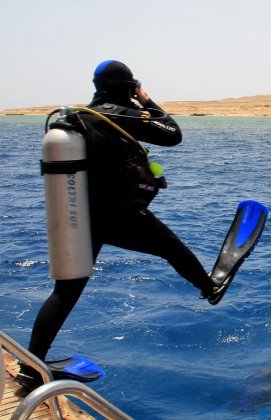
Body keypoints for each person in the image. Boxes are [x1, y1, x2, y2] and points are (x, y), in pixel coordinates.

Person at [17, 60, 223, 392]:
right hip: (119, 214)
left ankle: (32, 364)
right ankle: (209, 287)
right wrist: (145, 99)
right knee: (171, 247)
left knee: (65, 292)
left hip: (80, 216)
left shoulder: (80, 118)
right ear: (128, 87)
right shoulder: (124, 115)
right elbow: (173, 134)